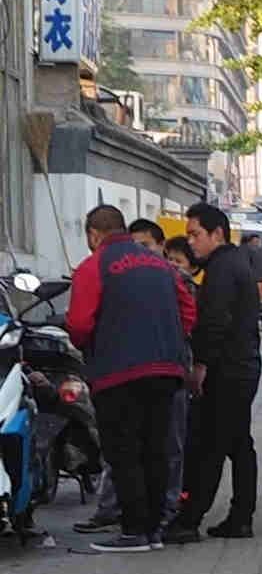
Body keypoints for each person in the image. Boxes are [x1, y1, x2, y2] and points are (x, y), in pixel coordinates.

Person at [66, 205, 196, 552]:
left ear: (94, 234)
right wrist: (170, 339)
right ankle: (154, 530)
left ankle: (134, 530)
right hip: (165, 370)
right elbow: (188, 310)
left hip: (117, 373)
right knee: (156, 448)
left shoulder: (93, 266)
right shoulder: (161, 265)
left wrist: (93, 345)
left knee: (124, 452)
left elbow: (79, 325)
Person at [166, 204, 262, 543]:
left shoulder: (222, 269)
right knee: (238, 443)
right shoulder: (233, 263)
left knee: (211, 445)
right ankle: (241, 516)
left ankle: (190, 519)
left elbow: (215, 322)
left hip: (228, 370)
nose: (191, 242)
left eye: (195, 235)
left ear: (217, 234)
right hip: (243, 366)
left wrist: (201, 365)